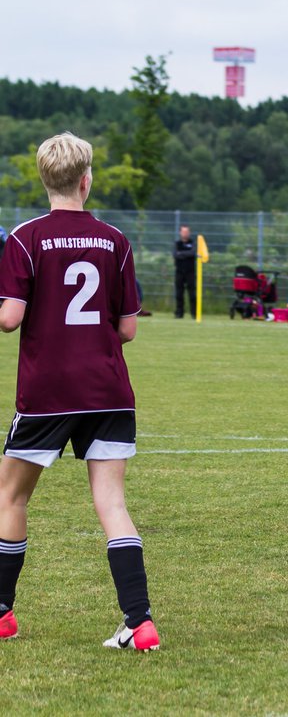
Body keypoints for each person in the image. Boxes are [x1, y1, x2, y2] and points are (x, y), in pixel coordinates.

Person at [0, 133, 158, 650]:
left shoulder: (25, 238)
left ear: (45, 181)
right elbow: (129, 329)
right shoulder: (116, 240)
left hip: (49, 390)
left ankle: (3, 614)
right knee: (112, 502)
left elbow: (9, 319)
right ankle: (139, 622)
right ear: (86, 180)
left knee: (9, 496)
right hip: (109, 389)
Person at [173, 224, 197, 318]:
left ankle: (194, 313)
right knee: (179, 294)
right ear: (180, 232)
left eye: (187, 232)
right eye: (183, 231)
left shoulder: (193, 243)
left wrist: (181, 254)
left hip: (190, 272)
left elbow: (193, 253)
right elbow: (175, 254)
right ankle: (179, 313)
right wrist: (187, 254)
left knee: (192, 294)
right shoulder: (177, 244)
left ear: (189, 233)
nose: (185, 233)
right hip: (179, 272)